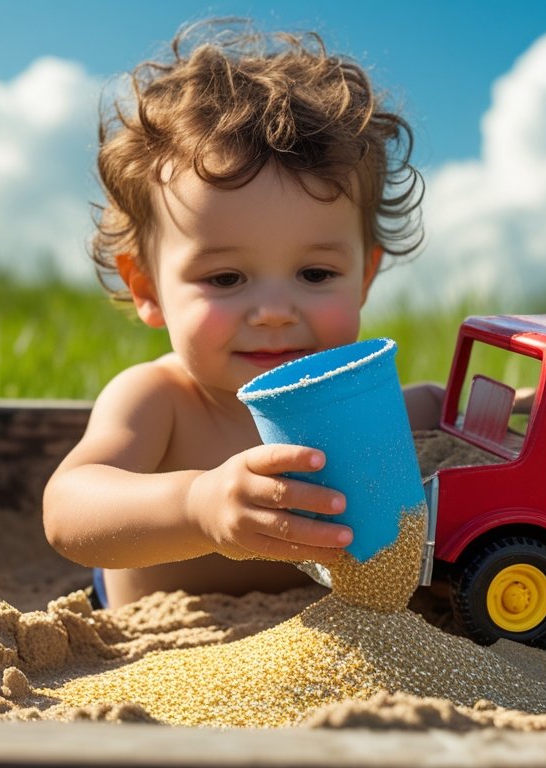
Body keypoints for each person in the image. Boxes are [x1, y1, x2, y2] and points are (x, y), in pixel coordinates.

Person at [42, 22, 442, 608]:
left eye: (316, 275)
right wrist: (196, 505)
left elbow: (434, 406)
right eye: (225, 278)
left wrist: (510, 413)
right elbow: (69, 507)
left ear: (365, 276)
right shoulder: (161, 401)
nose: (276, 313)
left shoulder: (355, 404)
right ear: (147, 288)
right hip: (153, 643)